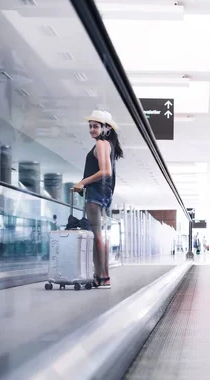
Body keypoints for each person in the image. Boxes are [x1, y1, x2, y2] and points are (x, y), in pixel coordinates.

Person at [73, 110, 123, 289]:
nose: (92, 129)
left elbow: (105, 172)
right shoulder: (107, 144)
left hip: (96, 193)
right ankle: (101, 276)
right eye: (90, 126)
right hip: (102, 193)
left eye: (96, 126)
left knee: (97, 235)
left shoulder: (102, 144)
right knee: (98, 235)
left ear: (106, 128)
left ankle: (102, 277)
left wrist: (82, 182)